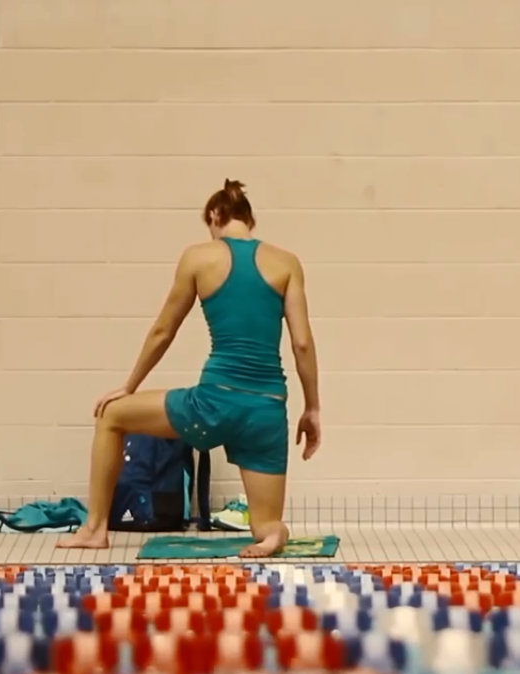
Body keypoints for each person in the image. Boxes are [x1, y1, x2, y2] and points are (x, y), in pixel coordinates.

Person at [57, 179, 322, 557]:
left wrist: (129, 385)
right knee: (263, 523)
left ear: (215, 216)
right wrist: (312, 408)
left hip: (213, 404)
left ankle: (95, 528)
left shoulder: (199, 257)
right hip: (266, 410)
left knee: (111, 416)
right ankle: (273, 535)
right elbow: (302, 343)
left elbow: (164, 330)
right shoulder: (287, 263)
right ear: (250, 220)